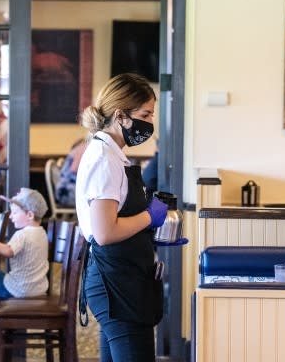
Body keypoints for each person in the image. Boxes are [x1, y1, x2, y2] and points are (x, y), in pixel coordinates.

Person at [76, 73, 169, 362]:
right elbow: (105, 232)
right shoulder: (104, 159)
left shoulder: (112, 154)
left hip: (123, 276)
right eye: (145, 114)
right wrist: (149, 217)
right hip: (114, 281)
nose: (150, 122)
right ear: (121, 115)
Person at [55, 138, 88, 207]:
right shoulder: (84, 147)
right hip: (66, 191)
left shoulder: (82, 145)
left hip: (64, 188)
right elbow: (74, 169)